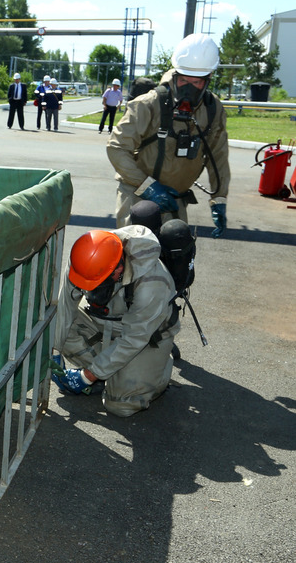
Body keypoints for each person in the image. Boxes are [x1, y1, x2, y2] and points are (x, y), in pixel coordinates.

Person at [106, 33, 230, 237]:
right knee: (135, 259)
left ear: (208, 80)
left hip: (175, 200)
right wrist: (148, 187)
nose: (189, 89)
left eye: (196, 83)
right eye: (183, 80)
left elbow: (218, 155)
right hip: (139, 197)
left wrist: (220, 198)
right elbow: (117, 147)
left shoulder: (212, 109)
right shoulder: (148, 105)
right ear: (175, 75)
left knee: (176, 259)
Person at [52, 227, 180, 417]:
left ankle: (158, 372)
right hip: (105, 322)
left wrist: (87, 376)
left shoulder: (152, 282)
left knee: (121, 405)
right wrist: (53, 352)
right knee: (54, 324)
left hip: (145, 337)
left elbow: (133, 338)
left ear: (118, 269)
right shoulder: (84, 257)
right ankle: (108, 374)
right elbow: (64, 308)